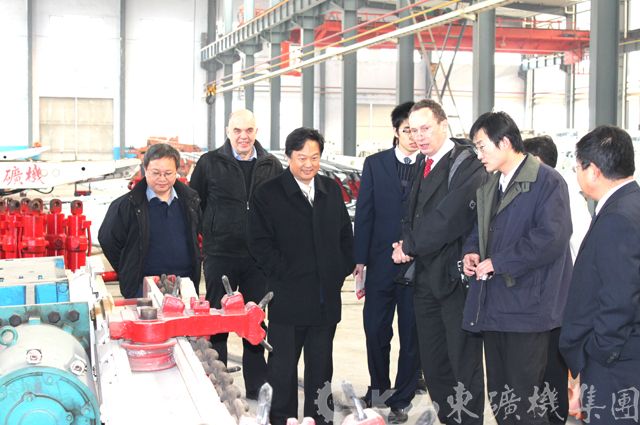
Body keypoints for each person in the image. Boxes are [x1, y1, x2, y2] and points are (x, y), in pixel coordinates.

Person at [461, 112, 573, 425]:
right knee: (501, 396)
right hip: (494, 305)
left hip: (528, 309)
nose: (479, 155)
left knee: (524, 399)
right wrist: (471, 251)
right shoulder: (491, 182)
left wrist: (500, 262)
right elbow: (480, 228)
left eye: (482, 147)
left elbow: (551, 238)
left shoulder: (547, 182)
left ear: (506, 142)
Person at [248, 127, 354, 425]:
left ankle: (320, 418)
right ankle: (281, 419)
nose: (308, 164)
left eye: (314, 157)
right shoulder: (268, 194)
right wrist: (283, 273)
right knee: (282, 368)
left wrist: (338, 270)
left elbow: (345, 236)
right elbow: (259, 243)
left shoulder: (330, 190)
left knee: (321, 368)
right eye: (301, 157)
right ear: (288, 157)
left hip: (324, 298)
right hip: (288, 298)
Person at [391, 99, 486, 425]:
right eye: (413, 130)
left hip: (455, 280)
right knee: (433, 362)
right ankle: (449, 419)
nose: (419, 136)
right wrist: (405, 243)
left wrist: (410, 246)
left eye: (425, 128)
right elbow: (413, 214)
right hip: (425, 281)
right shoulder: (423, 163)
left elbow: (449, 217)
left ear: (444, 125)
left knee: (463, 362)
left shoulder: (466, 165)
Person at [190, 109, 283, 399]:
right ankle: (217, 381)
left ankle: (257, 384)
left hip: (258, 257)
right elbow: (195, 203)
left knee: (254, 317)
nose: (244, 136)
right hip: (221, 253)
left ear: (256, 132)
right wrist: (212, 232)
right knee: (217, 318)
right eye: (238, 130)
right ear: (228, 132)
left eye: (249, 130)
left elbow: (279, 206)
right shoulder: (209, 163)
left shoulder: (271, 164)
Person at [560, 125, 640, 425]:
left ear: (593, 171)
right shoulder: (629, 203)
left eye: (577, 168)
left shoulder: (617, 217)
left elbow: (619, 298)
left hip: (615, 364)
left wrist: (596, 354)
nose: (577, 175)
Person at [353, 101, 421, 423]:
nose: (414, 136)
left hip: (417, 265)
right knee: (375, 329)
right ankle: (378, 388)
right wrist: (359, 260)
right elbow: (364, 213)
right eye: (408, 130)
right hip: (380, 263)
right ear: (396, 131)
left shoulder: (430, 166)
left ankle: (402, 397)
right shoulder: (375, 164)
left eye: (418, 130)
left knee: (412, 334)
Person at [99, 143, 201, 299]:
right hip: (142, 289)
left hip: (185, 286)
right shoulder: (126, 206)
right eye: (156, 173)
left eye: (168, 173)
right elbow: (108, 240)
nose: (162, 179)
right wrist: (128, 269)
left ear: (176, 171)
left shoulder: (190, 202)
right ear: (145, 169)